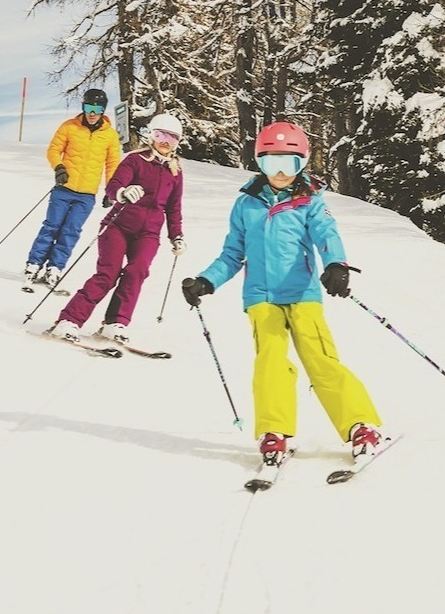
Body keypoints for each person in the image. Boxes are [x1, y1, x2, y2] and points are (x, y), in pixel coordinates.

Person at [181, 121, 386, 467]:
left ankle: (360, 424)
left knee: (321, 359)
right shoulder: (245, 205)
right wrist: (207, 281)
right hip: (260, 297)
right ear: (259, 162)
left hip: (302, 293)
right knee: (270, 362)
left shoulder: (310, 201)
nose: (279, 172)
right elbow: (232, 253)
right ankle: (274, 430)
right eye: (270, 162)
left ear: (302, 162)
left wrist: (336, 264)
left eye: (288, 163)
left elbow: (326, 234)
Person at [54, 112, 186, 344]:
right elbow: (113, 185)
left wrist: (176, 236)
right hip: (118, 227)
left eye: (172, 138)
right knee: (108, 274)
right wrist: (122, 193)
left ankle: (115, 323)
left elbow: (173, 207)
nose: (165, 142)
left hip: (148, 234)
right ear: (151, 136)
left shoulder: (175, 172)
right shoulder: (135, 160)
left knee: (137, 272)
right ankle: (69, 320)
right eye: (160, 135)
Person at [25, 88, 122, 288]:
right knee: (51, 226)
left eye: (97, 109)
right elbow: (54, 150)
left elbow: (112, 164)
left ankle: (55, 267)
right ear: (83, 107)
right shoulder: (69, 127)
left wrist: (110, 190)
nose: (92, 113)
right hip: (64, 188)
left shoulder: (110, 136)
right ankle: (34, 264)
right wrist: (59, 168)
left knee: (71, 231)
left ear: (103, 110)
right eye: (88, 107)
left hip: (87, 194)